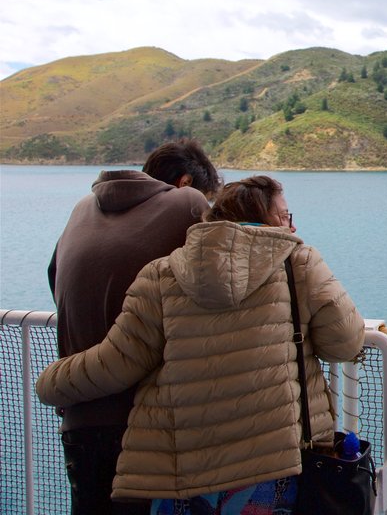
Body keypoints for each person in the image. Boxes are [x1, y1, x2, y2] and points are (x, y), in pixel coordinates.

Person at [36, 175, 366, 514]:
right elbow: (344, 343)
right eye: (285, 217)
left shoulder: (161, 274)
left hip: (181, 481)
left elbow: (117, 362)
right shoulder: (298, 263)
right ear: (269, 219)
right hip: (273, 471)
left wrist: (48, 384)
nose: (291, 228)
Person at [46, 138, 222, 515]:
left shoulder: (81, 208)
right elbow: (219, 284)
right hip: (146, 428)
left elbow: (53, 274)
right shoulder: (186, 203)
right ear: (186, 182)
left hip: (79, 417)